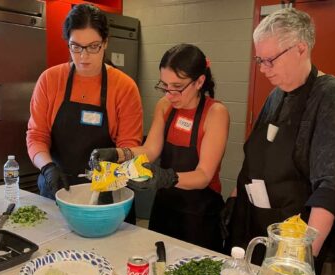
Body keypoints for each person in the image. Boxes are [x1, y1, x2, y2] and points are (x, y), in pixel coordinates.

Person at [221, 8, 335, 275]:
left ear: (300, 49)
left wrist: (300, 263)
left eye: (270, 60)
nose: (263, 69)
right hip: (255, 229)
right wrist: (234, 201)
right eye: (259, 60)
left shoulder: (330, 97)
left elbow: (330, 188)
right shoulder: (276, 95)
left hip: (293, 245)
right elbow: (254, 161)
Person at [90, 44, 230, 251]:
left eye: (177, 87)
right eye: (164, 85)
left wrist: (168, 177)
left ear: (200, 81)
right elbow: (150, 150)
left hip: (199, 213)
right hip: (165, 206)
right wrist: (117, 153)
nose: (170, 94)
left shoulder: (216, 113)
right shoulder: (165, 106)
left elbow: (204, 175)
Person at [26, 3, 143, 208]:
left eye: (93, 46)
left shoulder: (124, 87)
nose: (83, 56)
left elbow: (129, 146)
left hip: (106, 192)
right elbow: (36, 135)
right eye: (76, 46)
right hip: (56, 188)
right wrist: (47, 168)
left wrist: (111, 175)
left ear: (105, 43)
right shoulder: (50, 80)